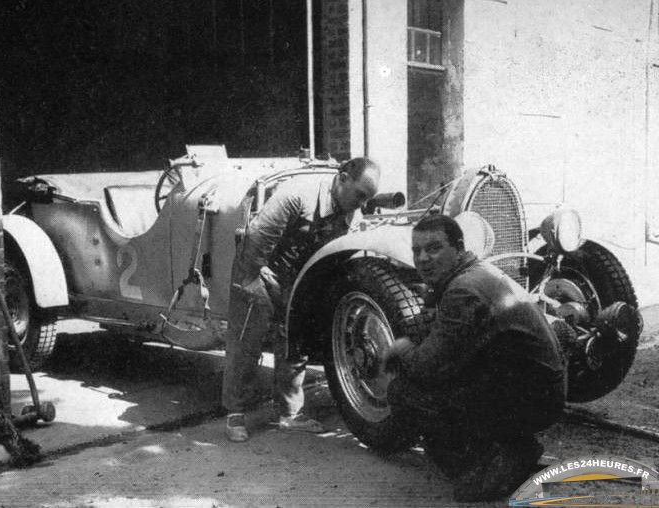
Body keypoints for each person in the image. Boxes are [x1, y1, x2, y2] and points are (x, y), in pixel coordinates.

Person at [383, 214, 566, 502]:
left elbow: (427, 367)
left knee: (405, 392)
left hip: (532, 400)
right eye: (416, 251)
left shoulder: (461, 290)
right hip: (541, 390)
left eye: (433, 248)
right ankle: (511, 446)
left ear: (457, 248)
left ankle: (499, 461)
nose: (422, 259)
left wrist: (401, 349)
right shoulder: (477, 272)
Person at [223, 157, 381, 442]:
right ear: (342, 177)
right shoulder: (297, 195)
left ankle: (290, 414)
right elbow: (256, 241)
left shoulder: (352, 215)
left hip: (297, 279)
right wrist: (252, 285)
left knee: (295, 344)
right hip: (258, 270)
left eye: (368, 199)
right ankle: (235, 413)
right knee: (247, 341)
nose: (363, 205)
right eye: (360, 195)